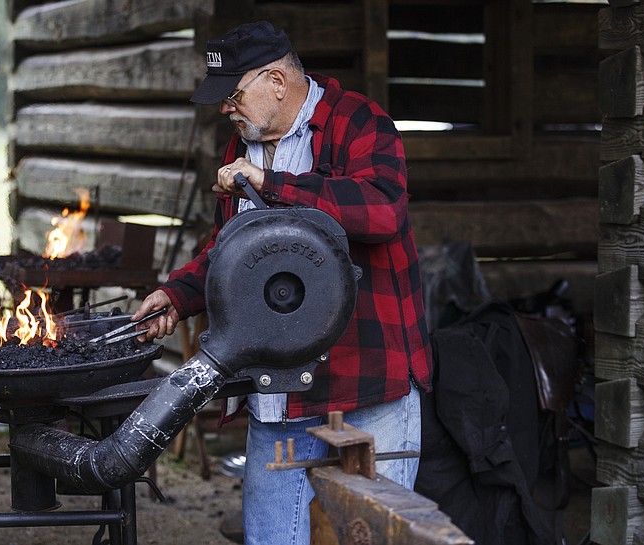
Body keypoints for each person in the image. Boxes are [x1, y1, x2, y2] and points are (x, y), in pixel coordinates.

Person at [133, 20, 431, 545]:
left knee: (374, 538)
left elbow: (383, 212)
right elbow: (233, 254)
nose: (226, 108)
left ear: (275, 79)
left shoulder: (361, 122)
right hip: (279, 387)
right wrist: (175, 297)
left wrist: (274, 186)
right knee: (272, 539)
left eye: (234, 95)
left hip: (369, 381)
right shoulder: (241, 148)